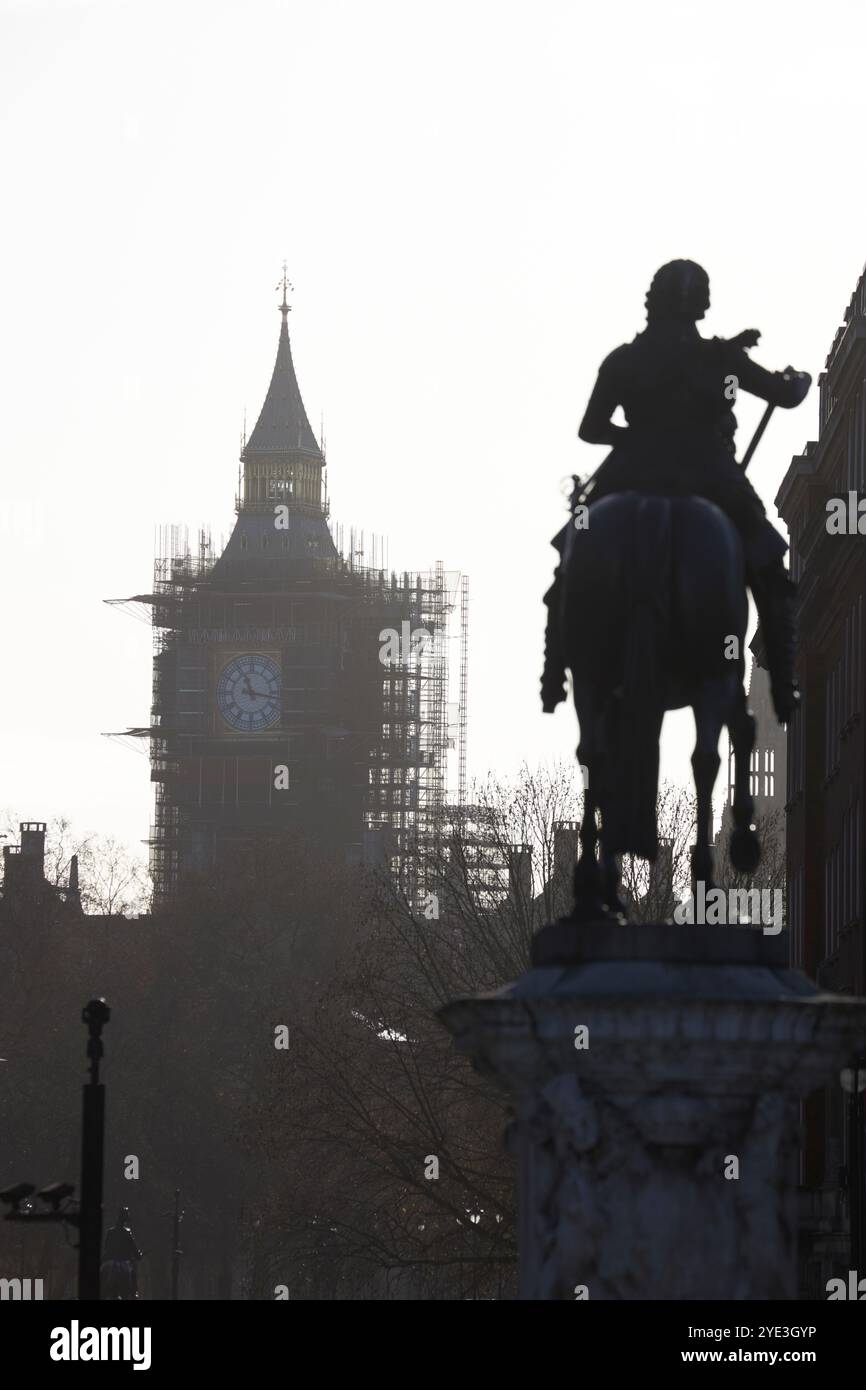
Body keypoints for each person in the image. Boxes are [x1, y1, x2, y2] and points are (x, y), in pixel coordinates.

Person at [542, 260, 810, 722]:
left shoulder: (623, 359)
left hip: (631, 472)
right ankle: (784, 686)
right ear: (700, 305)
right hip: (708, 473)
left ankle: (552, 673)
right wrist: (798, 380)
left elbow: (591, 429)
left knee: (571, 558)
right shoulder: (719, 358)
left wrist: (634, 438)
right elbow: (783, 396)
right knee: (767, 565)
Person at [102, 1206, 142, 1299]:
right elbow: (134, 1249)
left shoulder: (110, 1231)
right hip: (124, 1260)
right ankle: (135, 1292)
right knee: (133, 1271)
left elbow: (106, 1247)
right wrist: (139, 1255)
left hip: (110, 1259)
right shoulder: (127, 1232)